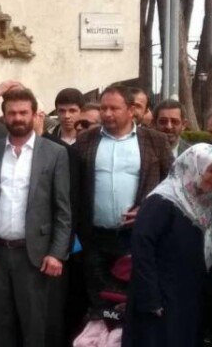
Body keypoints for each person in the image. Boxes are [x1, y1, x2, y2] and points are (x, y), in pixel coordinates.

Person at [0, 88, 72, 347]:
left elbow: (63, 209)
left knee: (34, 326)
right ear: (3, 117)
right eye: (12, 113)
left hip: (34, 255)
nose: (17, 118)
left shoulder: (54, 153)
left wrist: (57, 252)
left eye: (23, 113)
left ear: (34, 114)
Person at [74, 84, 173, 312]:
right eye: (103, 108)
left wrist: (148, 211)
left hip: (135, 238)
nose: (107, 113)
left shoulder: (154, 140)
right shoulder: (86, 141)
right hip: (95, 238)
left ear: (131, 110)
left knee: (132, 302)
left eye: (114, 108)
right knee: (98, 303)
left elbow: (172, 185)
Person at [123, 144, 212, 347]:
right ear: (193, 166)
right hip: (161, 296)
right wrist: (150, 298)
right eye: (210, 170)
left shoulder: (204, 203)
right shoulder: (162, 201)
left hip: (189, 295)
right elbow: (142, 248)